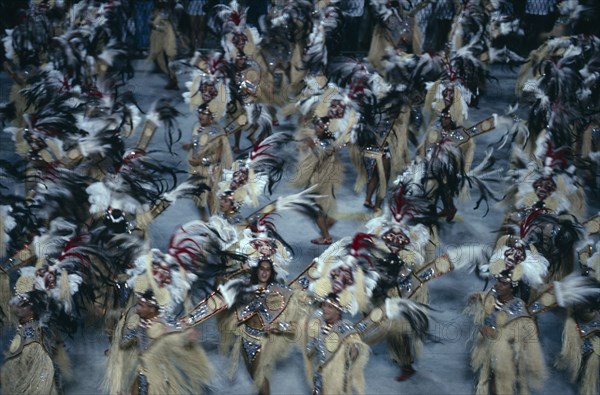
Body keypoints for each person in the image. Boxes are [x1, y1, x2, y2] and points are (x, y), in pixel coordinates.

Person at [303, 293, 369, 395]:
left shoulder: (344, 328)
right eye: (324, 305)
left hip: (335, 382)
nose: (325, 309)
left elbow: (354, 351)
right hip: (319, 379)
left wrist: (352, 350)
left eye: (330, 307)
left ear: (338, 310)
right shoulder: (319, 323)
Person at [292, 116, 342, 245]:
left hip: (321, 180)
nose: (316, 128)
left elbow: (322, 154)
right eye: (317, 125)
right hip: (320, 178)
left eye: (320, 127)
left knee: (315, 209)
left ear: (327, 130)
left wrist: (311, 145)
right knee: (319, 204)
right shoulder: (321, 139)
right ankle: (328, 219)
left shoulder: (328, 142)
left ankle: (326, 237)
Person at [184, 104, 233, 219]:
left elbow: (218, 157)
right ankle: (205, 222)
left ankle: (216, 223)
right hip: (197, 170)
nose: (200, 116)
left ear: (212, 117)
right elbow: (197, 144)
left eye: (204, 114)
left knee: (213, 199)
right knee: (198, 198)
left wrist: (201, 161)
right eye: (200, 112)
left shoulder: (218, 134)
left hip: (212, 171)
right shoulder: (196, 126)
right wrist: (190, 146)